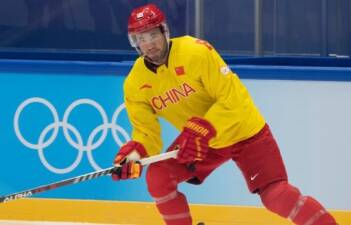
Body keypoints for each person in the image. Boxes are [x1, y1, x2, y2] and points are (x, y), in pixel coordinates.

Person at [111, 3, 338, 225]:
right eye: (140, 39)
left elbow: (231, 98)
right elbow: (145, 132)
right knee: (158, 177)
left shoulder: (195, 51)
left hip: (245, 132)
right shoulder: (135, 83)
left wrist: (200, 130)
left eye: (152, 35)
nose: (148, 44)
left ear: (164, 31)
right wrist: (135, 155)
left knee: (276, 196)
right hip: (200, 143)